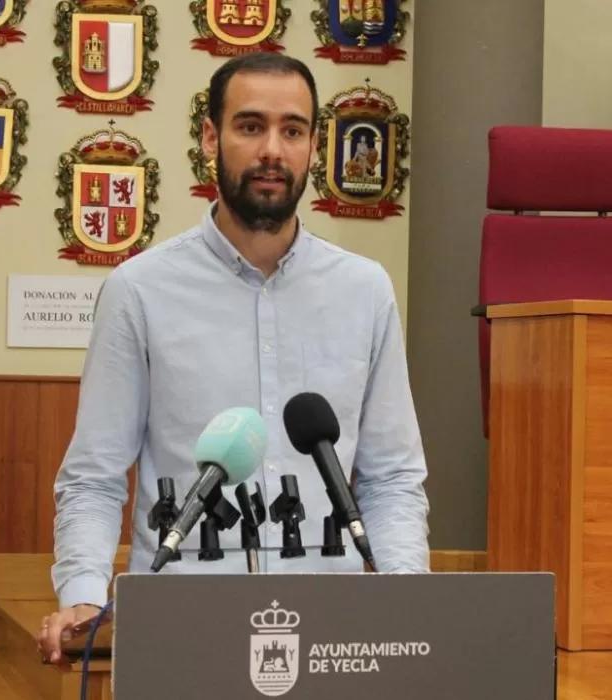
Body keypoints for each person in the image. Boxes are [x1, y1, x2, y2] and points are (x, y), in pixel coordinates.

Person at [37, 53, 429, 664]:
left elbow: (391, 478)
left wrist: (407, 593)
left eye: (292, 130)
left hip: (335, 631)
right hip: (181, 628)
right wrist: (85, 595)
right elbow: (95, 475)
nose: (272, 150)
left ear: (314, 147)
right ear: (209, 137)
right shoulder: (140, 290)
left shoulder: (365, 290)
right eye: (250, 126)